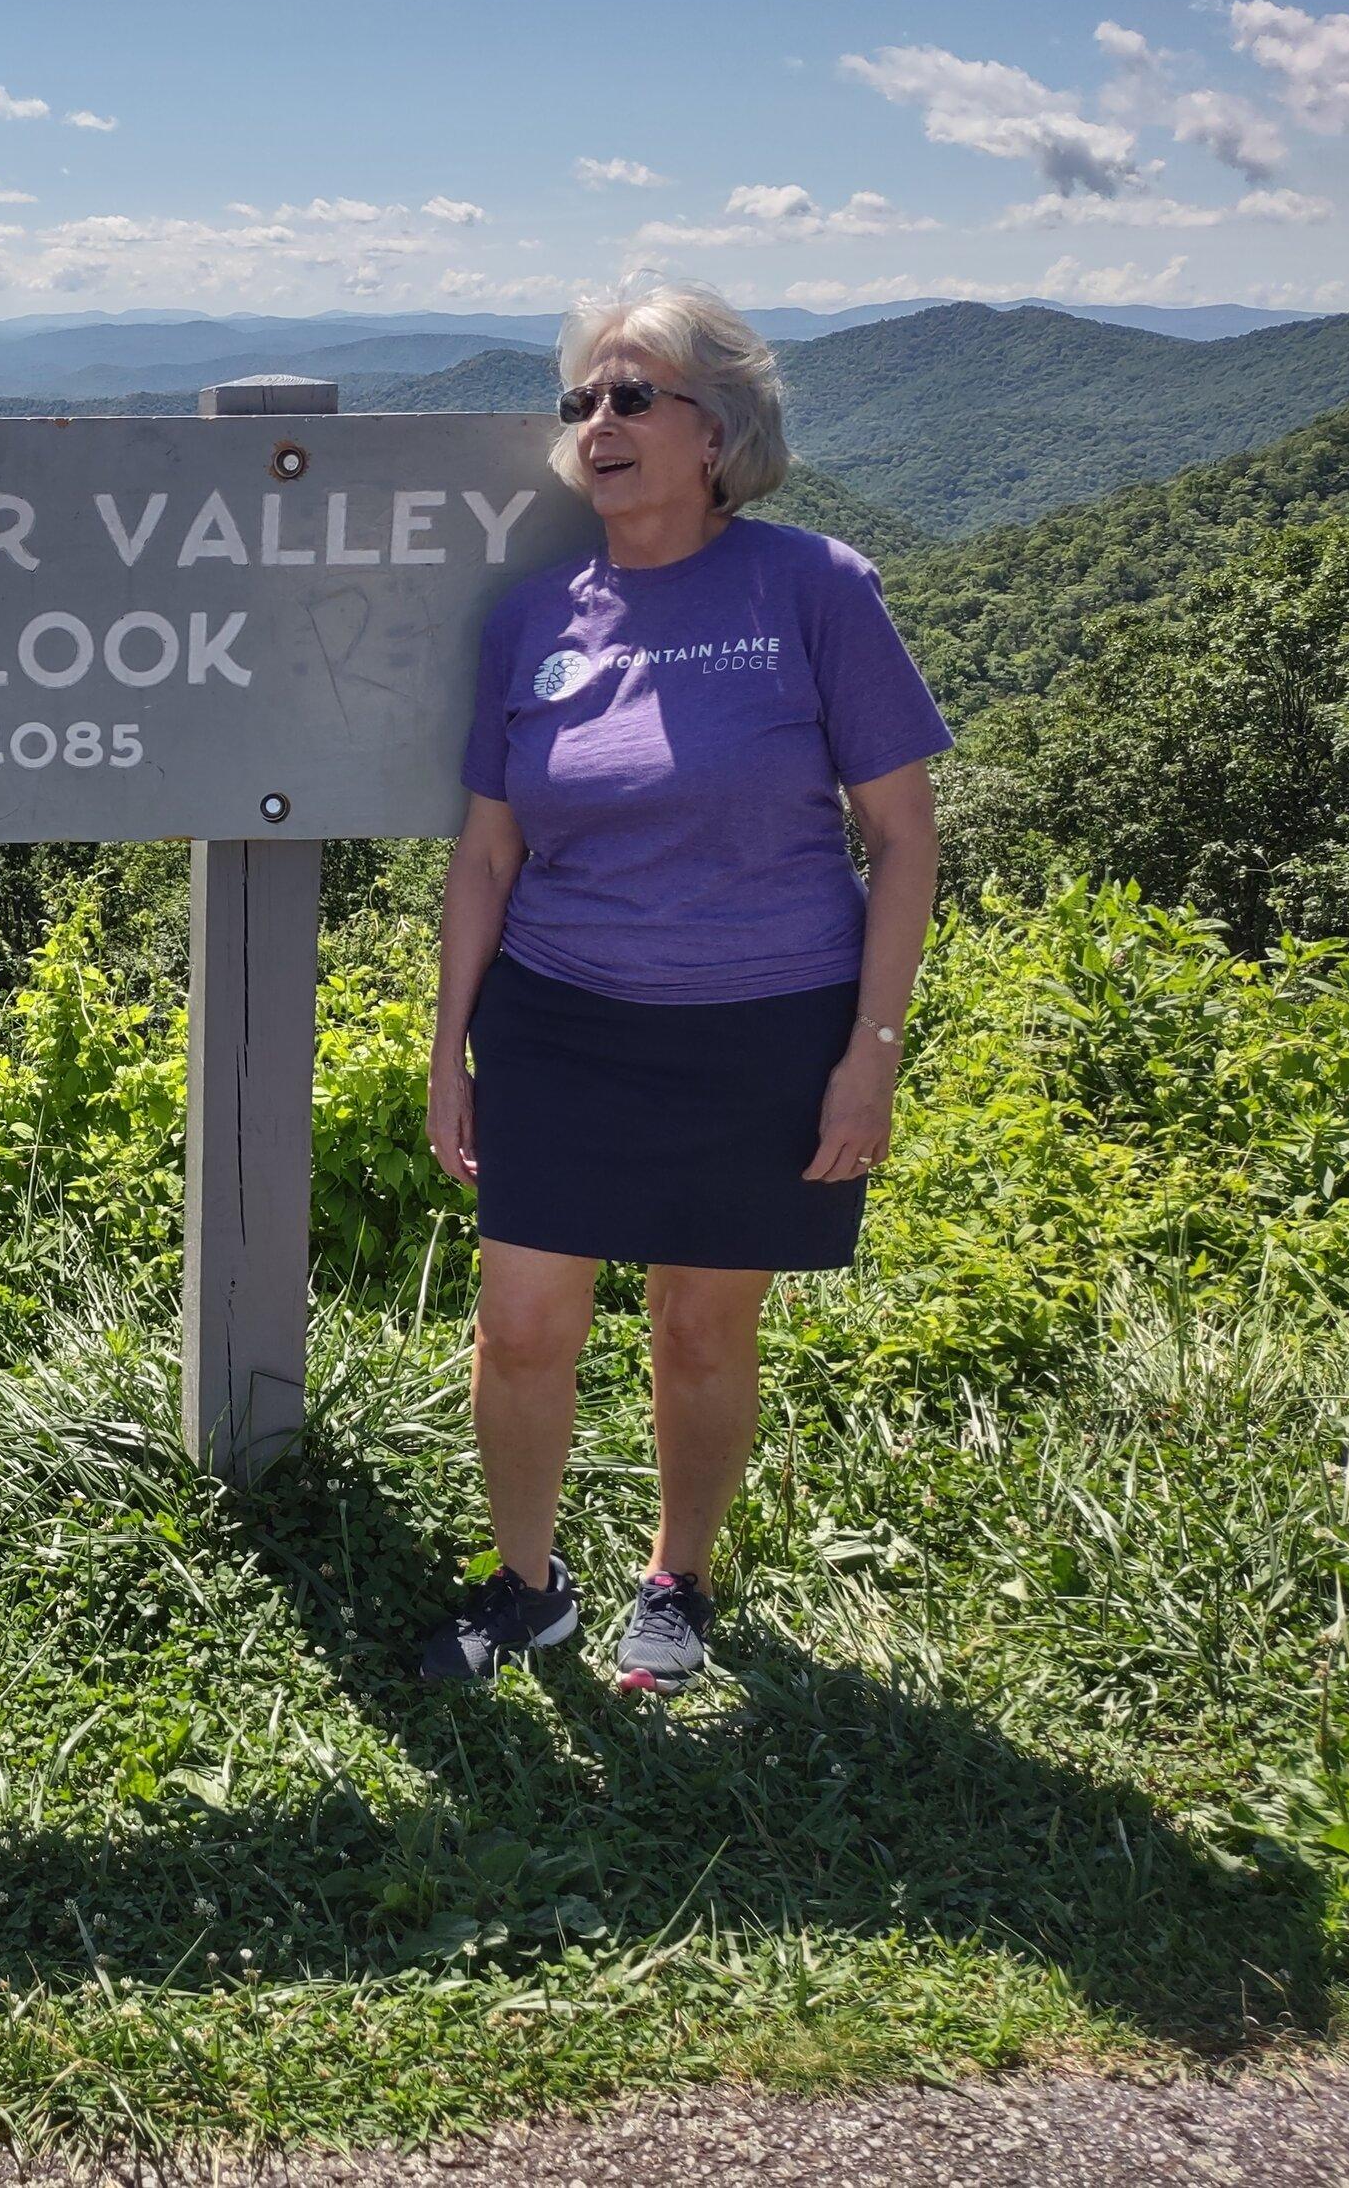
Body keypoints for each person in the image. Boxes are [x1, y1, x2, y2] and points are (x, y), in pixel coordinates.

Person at [417, 281, 950, 1697]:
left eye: (633, 394)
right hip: (563, 1016)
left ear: (717, 431)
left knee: (702, 1328)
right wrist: (447, 1042)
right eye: (583, 398)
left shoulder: (813, 586)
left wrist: (872, 1053)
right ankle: (527, 1588)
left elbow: (904, 838)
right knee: (523, 1325)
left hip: (768, 1022)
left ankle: (680, 1576)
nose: (599, 421)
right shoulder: (531, 614)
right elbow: (486, 851)